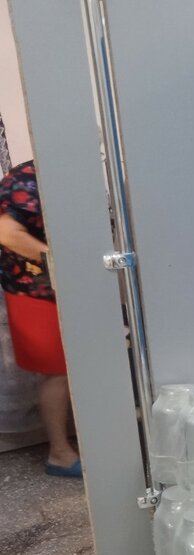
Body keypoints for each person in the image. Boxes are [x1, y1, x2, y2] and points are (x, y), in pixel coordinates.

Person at [0, 159, 81, 477]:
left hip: (55, 289)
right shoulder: (26, 177)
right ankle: (59, 454)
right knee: (57, 373)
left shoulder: (62, 171)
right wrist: (60, 263)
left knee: (70, 371)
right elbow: (7, 232)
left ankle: (78, 442)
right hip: (34, 291)